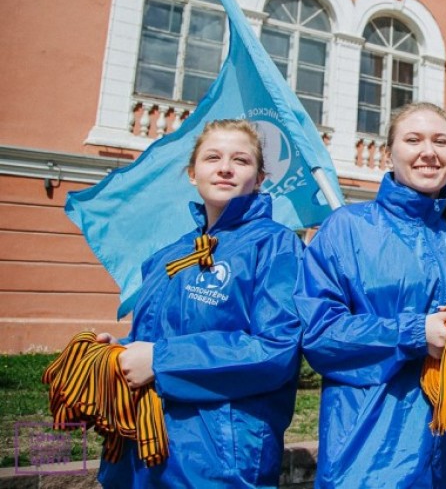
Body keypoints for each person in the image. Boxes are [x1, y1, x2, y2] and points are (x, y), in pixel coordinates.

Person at [296, 102, 446, 489]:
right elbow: (320, 335)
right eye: (414, 140)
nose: (428, 151)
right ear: (389, 152)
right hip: (370, 457)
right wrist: (415, 334)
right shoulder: (347, 228)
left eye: (441, 141)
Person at [95, 119, 304, 488]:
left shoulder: (275, 245)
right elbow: (153, 335)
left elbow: (276, 350)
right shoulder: (168, 256)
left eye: (240, 160)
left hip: (219, 458)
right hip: (143, 449)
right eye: (212, 158)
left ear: (259, 179)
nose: (225, 167)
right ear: (193, 173)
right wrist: (120, 354)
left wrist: (159, 361)